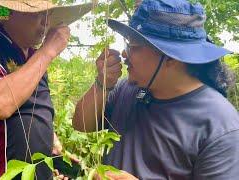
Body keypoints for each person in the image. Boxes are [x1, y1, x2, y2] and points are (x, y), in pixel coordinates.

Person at [73, 0, 239, 179]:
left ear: (171, 56)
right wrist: (102, 83)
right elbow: (81, 125)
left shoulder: (220, 124)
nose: (124, 54)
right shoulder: (127, 89)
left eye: (134, 47)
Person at [0, 0, 92, 179]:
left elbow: (37, 111)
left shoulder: (35, 58)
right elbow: (0, 104)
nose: (45, 22)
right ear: (9, 12)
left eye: (48, 14)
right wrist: (48, 51)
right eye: (37, 14)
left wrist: (52, 149)